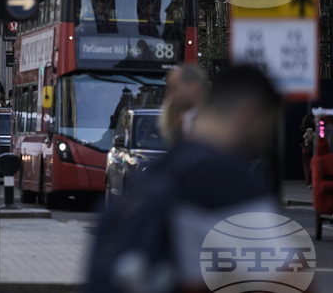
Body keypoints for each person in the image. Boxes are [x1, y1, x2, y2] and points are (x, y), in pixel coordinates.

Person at [88, 65, 283, 293]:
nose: (265, 139)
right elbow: (288, 280)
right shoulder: (228, 179)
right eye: (267, 128)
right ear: (250, 113)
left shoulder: (161, 169)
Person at [160, 64, 207, 146]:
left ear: (194, 87)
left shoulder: (212, 126)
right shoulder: (179, 123)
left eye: (174, 88)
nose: (170, 96)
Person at [299, 113, 316, 189]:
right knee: (314, 164)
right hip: (314, 147)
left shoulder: (303, 128)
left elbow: (299, 140)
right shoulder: (314, 127)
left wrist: (303, 146)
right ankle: (314, 181)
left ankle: (309, 183)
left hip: (305, 147)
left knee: (306, 166)